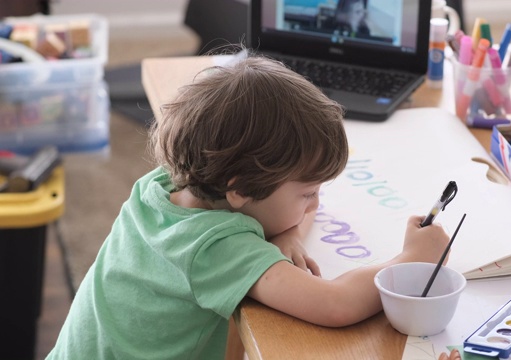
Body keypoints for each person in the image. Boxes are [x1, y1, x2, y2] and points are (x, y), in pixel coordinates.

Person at [46, 54, 454, 359]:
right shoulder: (216, 249)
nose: (316, 203)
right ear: (240, 190)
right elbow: (336, 304)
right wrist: (412, 257)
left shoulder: (160, 186)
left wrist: (289, 228)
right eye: (307, 193)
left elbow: (285, 211)